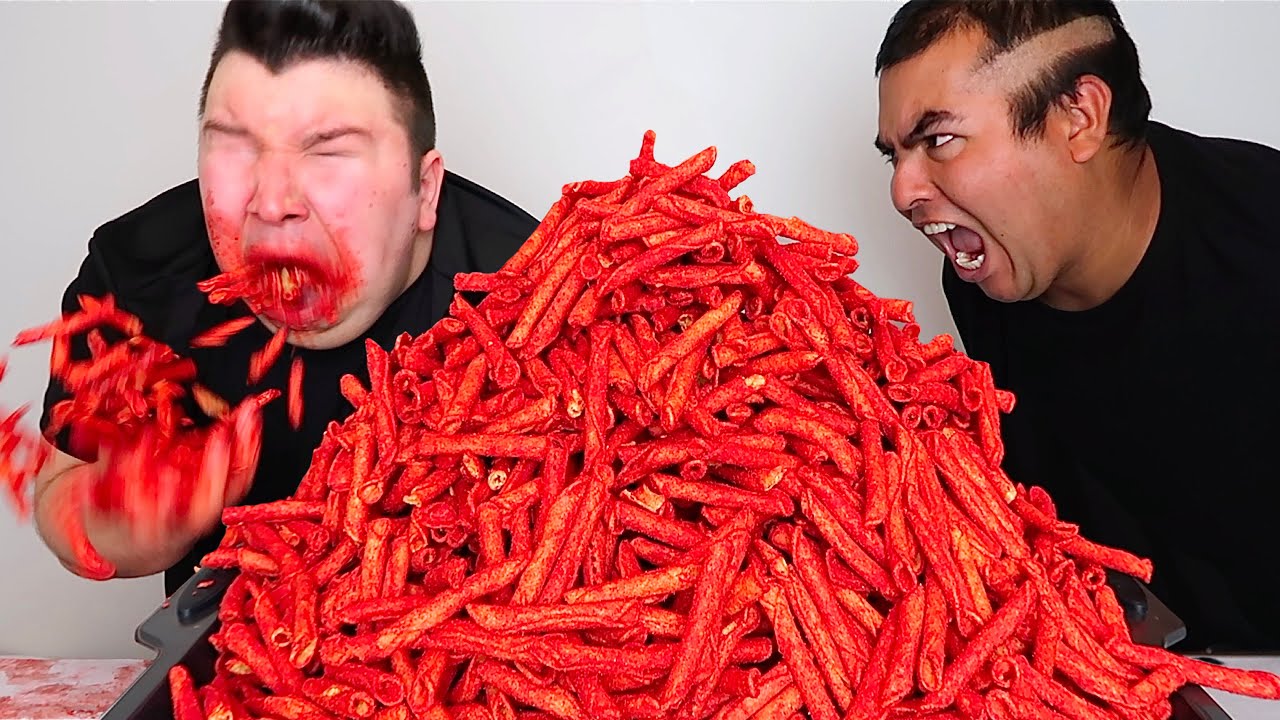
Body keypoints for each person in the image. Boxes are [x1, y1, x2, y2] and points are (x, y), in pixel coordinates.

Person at [31, 0, 538, 597]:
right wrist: (133, 517)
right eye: (236, 146)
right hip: (235, 647)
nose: (271, 202)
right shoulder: (141, 274)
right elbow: (62, 495)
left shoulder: (533, 289)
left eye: (328, 150)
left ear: (424, 190)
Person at [873, 0, 1280, 652]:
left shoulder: (1260, 238)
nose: (902, 192)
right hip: (1148, 667)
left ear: (1079, 117)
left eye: (940, 140)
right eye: (894, 156)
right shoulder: (986, 278)